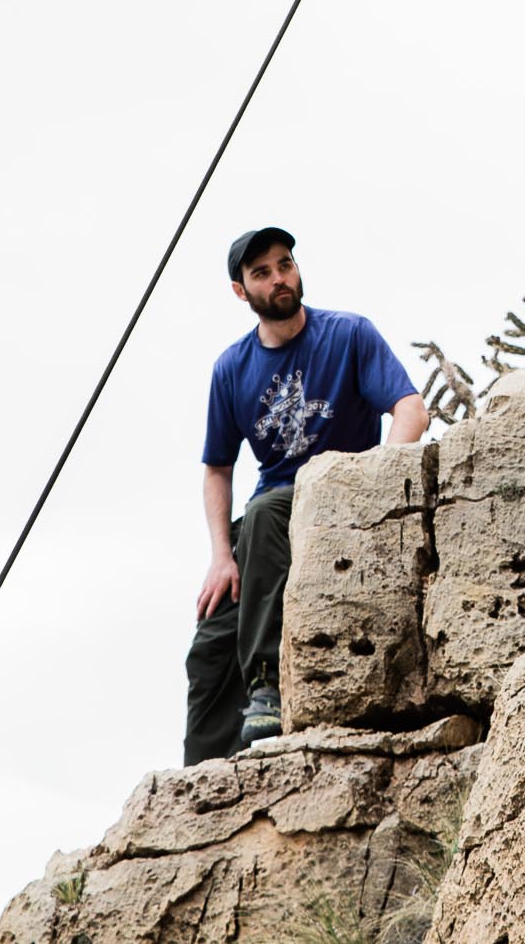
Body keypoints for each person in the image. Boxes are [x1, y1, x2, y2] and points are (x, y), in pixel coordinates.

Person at [186, 226, 427, 763]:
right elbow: (217, 468)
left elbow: (410, 408)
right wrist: (222, 556)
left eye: (285, 264)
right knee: (211, 639)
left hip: (340, 495)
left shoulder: (347, 335)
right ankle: (202, 778)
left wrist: (375, 480)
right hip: (268, 514)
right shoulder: (232, 369)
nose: (279, 279)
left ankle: (267, 682)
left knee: (269, 509)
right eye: (262, 272)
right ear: (240, 290)